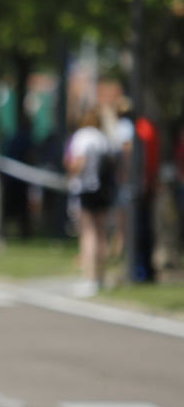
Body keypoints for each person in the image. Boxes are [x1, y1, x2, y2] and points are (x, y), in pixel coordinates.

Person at [64, 108, 114, 295]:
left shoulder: (81, 137)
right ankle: (101, 276)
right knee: (101, 233)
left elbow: (78, 162)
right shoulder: (102, 138)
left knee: (88, 233)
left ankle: (90, 277)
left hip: (86, 188)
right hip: (103, 190)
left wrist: (70, 170)